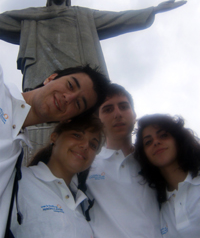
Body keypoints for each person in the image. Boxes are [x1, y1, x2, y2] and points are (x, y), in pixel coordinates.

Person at [0, 0, 186, 91]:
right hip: (42, 74)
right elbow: (4, 20)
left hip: (80, 68)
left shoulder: (84, 15)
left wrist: (154, 10)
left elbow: (119, 18)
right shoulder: (32, 15)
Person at [0, 63, 109, 238]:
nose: (69, 97)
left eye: (79, 103)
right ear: (50, 78)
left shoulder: (15, 157)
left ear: (69, 118)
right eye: (71, 85)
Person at [9, 114, 104, 238]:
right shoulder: (18, 181)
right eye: (77, 135)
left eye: (93, 145)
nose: (85, 145)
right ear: (54, 137)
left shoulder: (84, 204)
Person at [86, 84, 161, 238]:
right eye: (108, 109)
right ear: (97, 120)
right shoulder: (87, 167)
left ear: (134, 115)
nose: (117, 114)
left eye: (123, 106)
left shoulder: (156, 162)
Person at [134, 114, 200, 238]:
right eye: (148, 142)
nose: (156, 142)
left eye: (163, 135)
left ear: (178, 140)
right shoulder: (158, 205)